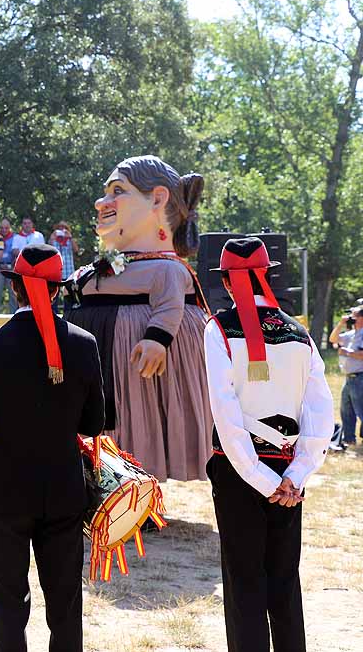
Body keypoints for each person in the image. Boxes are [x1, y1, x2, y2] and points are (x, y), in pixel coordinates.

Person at [0, 244, 104, 652]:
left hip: (7, 489)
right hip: (63, 489)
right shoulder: (83, 344)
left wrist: (0, 469)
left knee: (7, 603)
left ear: (16, 291)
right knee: (65, 604)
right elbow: (94, 423)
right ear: (57, 292)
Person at [203, 237, 332, 652]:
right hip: (288, 475)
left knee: (244, 585)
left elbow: (226, 414)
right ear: (268, 276)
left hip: (239, 470)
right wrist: (294, 476)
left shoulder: (218, 329)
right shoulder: (300, 334)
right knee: (283, 582)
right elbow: (319, 413)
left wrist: (260, 477)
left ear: (226, 280)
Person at [65, 155, 213, 481]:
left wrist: (157, 338)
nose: (101, 202)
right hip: (98, 364)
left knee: (136, 417)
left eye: (117, 190)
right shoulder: (107, 266)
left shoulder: (167, 268)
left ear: (158, 199)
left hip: (132, 369)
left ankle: (138, 486)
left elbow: (170, 304)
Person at [329, 305, 363, 446]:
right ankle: (349, 440)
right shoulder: (350, 334)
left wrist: (347, 353)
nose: (351, 318)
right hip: (349, 378)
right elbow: (333, 339)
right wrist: (341, 323)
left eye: (354, 315)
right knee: (346, 411)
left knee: (361, 410)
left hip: (360, 377)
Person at [48, 221, 79, 313]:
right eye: (59, 227)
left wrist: (70, 237)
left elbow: (76, 249)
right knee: (54, 294)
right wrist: (51, 238)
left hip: (69, 271)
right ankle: (54, 313)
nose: (62, 229)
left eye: (64, 227)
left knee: (69, 293)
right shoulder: (54, 240)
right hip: (56, 271)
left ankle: (68, 312)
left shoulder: (69, 240)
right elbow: (48, 250)